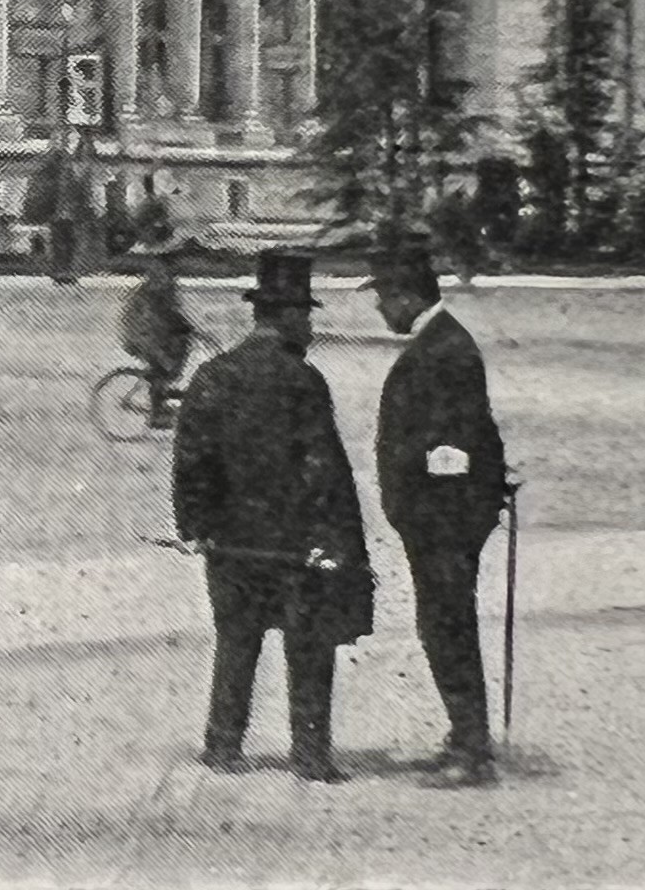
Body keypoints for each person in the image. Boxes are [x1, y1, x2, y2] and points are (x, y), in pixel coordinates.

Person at [167, 249, 375, 782]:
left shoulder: (213, 374)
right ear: (284, 317)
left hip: (232, 545)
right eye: (305, 315)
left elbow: (191, 460)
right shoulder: (302, 381)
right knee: (308, 648)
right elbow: (325, 470)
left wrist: (196, 528)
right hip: (294, 546)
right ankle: (310, 754)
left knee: (236, 642)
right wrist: (344, 542)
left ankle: (223, 745)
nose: (309, 326)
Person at [373, 245, 510, 786]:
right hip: (440, 519)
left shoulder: (442, 350)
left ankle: (471, 751)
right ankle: (462, 736)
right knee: (444, 625)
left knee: (448, 626)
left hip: (443, 522)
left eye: (385, 299)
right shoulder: (443, 341)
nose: (382, 310)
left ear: (408, 296)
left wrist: (441, 506)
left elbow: (454, 443)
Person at [117, 237, 204, 422]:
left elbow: (170, 311)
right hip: (142, 332)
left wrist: (186, 327)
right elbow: (154, 314)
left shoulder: (167, 280)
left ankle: (163, 392)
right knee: (162, 362)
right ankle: (156, 414)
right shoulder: (159, 279)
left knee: (180, 349)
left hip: (153, 329)